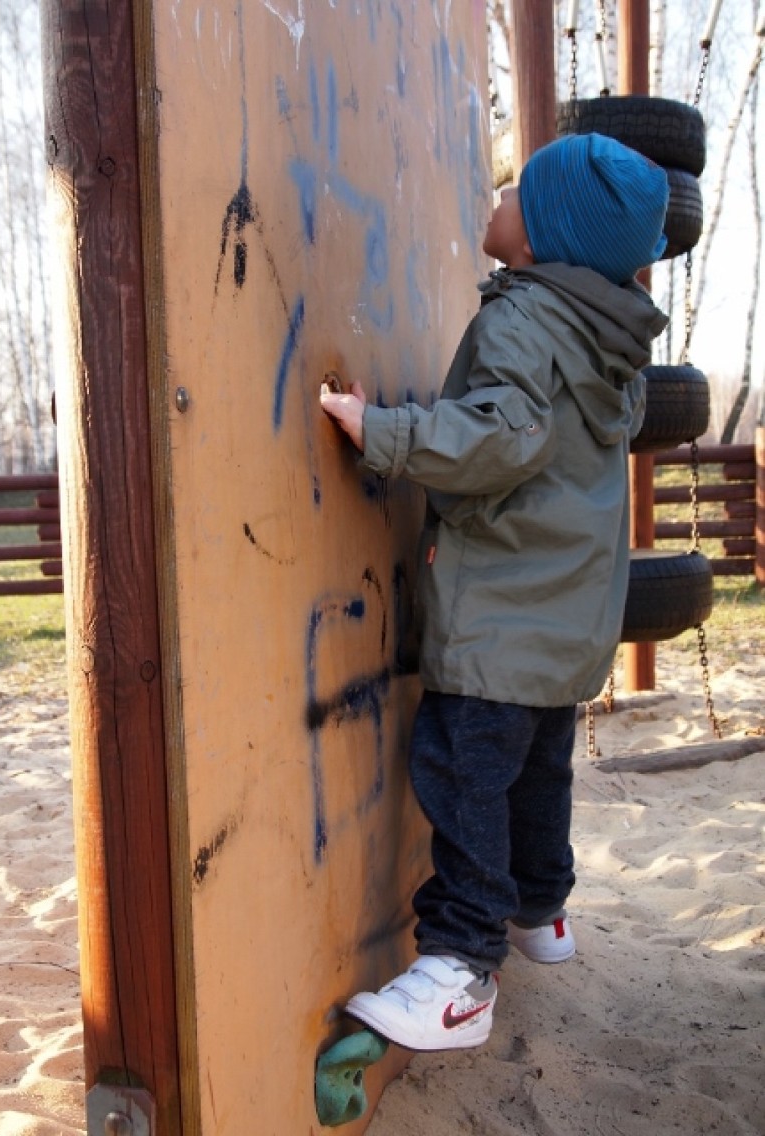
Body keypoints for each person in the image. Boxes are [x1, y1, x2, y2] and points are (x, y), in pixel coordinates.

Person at [319, 132, 669, 1052]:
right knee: (537, 772)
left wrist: (382, 432)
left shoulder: (523, 319)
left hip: (503, 615)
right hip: (567, 623)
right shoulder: (607, 345)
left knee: (462, 773)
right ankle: (542, 912)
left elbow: (499, 440)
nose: (498, 195)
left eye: (516, 190)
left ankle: (461, 968)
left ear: (544, 235)